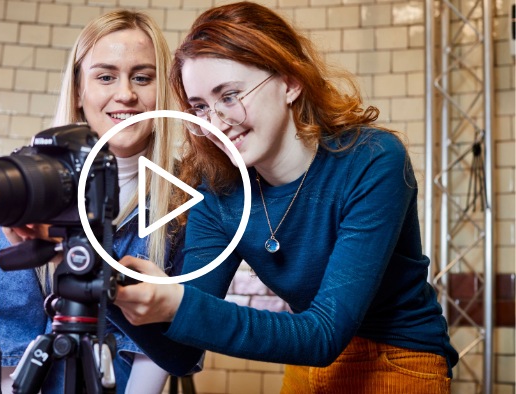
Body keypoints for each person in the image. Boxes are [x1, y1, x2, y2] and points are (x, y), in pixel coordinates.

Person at [107, 3, 460, 393]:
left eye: (230, 95)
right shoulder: (219, 189)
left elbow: (324, 333)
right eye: (200, 107)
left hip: (398, 358)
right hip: (306, 359)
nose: (215, 124)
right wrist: (104, 288)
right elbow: (182, 355)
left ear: (290, 82)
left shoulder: (372, 160)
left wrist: (177, 305)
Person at [0, 10, 195, 394]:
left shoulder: (183, 195)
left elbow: (162, 350)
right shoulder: (22, 182)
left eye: (142, 77)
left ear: (162, 91)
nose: (126, 93)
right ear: (79, 90)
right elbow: (8, 343)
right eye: (106, 76)